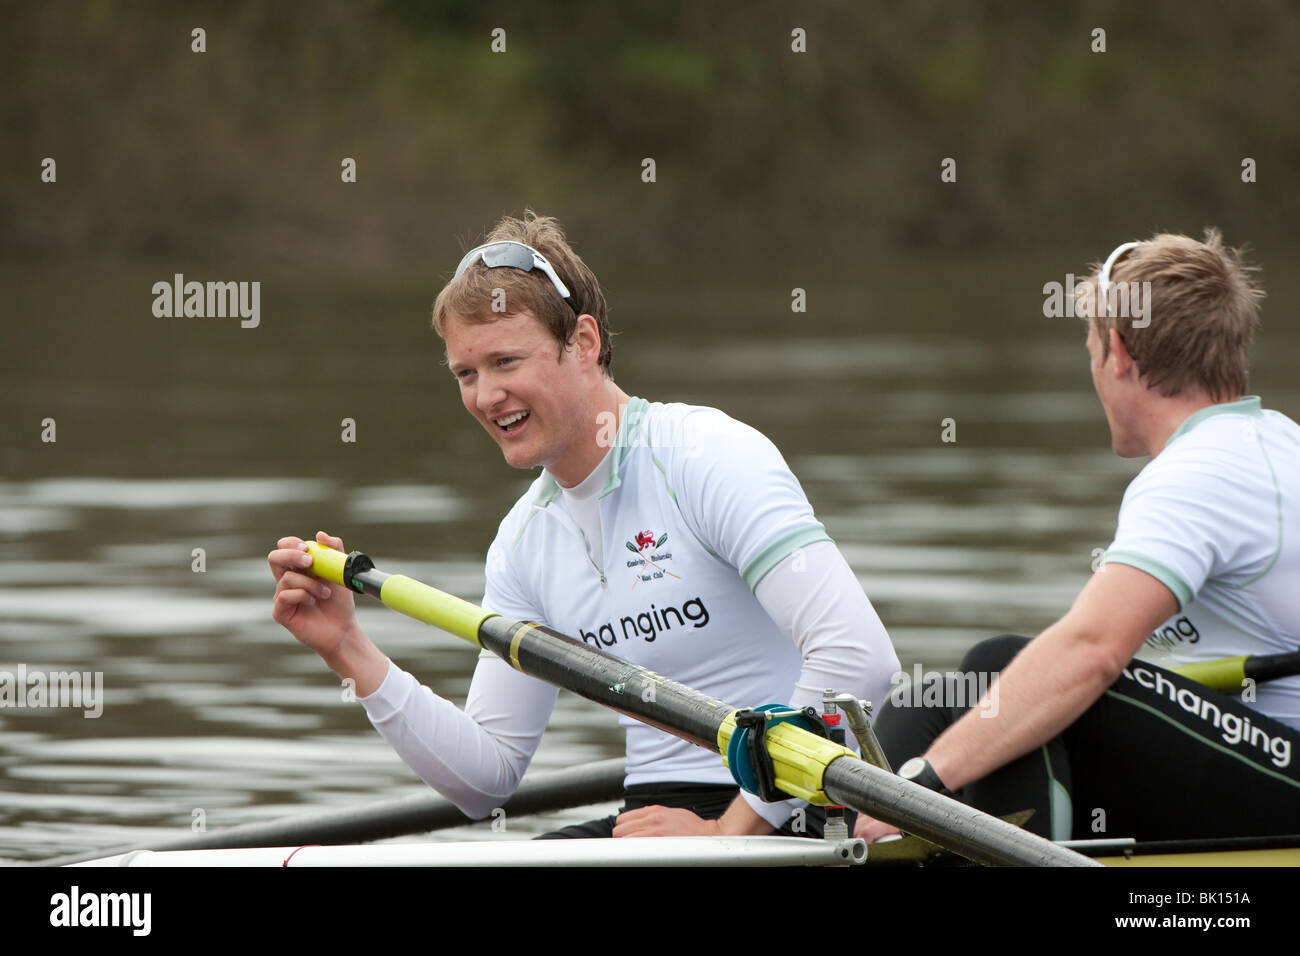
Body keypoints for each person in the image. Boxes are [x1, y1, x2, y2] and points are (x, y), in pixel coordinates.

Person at [269, 211, 900, 839]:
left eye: (506, 361)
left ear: (585, 344)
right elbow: (486, 778)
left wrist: (725, 834)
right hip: (654, 818)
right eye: (467, 373)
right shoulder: (524, 543)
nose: (486, 396)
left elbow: (858, 657)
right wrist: (347, 648)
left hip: (799, 803)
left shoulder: (706, 456)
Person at [857, 229, 1300, 845]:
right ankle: (867, 838)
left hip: (1284, 777)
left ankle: (902, 826)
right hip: (1260, 759)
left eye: (1089, 345)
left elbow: (1092, 650)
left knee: (995, 670)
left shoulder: (1200, 472)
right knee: (928, 704)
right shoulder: (1273, 440)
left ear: (1117, 352)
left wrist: (924, 783)